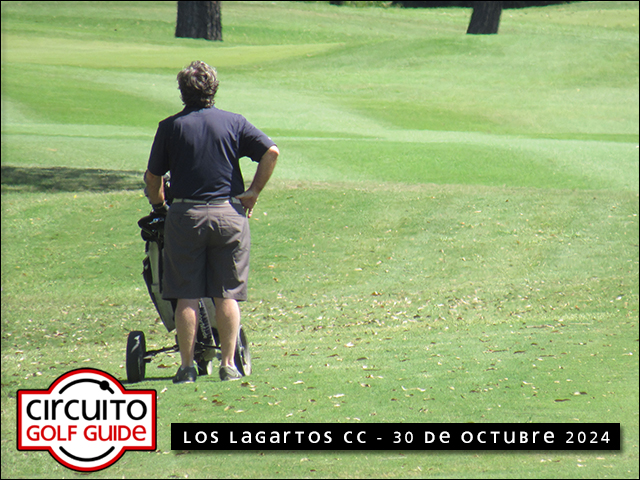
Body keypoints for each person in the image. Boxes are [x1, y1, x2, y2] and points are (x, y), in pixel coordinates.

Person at [144, 60, 278, 384]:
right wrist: (253, 192)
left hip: (185, 217)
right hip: (228, 215)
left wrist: (159, 204)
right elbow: (271, 152)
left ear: (182, 91)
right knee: (227, 294)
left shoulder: (170, 127)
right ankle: (228, 365)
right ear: (213, 88)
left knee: (186, 294)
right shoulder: (234, 122)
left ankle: (187, 368)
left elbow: (153, 178)